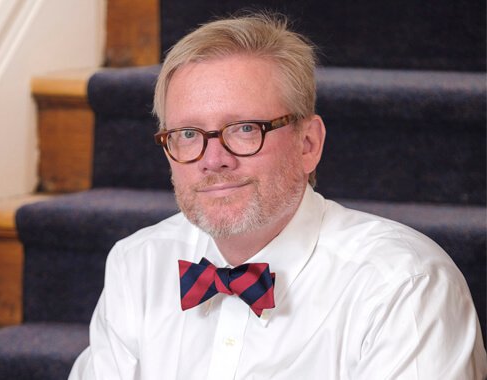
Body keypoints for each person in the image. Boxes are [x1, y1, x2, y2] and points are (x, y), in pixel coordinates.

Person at [69, 12, 486, 379]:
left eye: (245, 129)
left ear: (308, 144)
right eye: (189, 135)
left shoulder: (404, 285)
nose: (214, 159)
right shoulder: (136, 264)